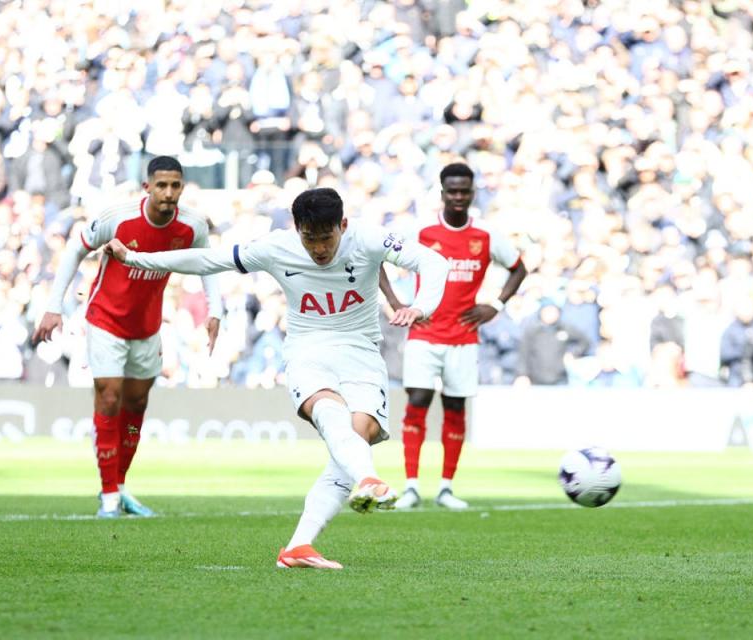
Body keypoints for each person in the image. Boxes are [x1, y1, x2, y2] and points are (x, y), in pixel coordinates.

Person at [104, 187, 448, 570]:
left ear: (343, 226)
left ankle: (299, 546)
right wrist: (136, 257)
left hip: (362, 352)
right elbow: (208, 259)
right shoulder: (276, 246)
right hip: (308, 350)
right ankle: (369, 478)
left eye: (326, 238)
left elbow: (434, 263)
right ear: (296, 229)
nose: (318, 249)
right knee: (332, 417)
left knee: (355, 437)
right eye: (309, 238)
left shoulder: (368, 237)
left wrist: (421, 306)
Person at [32, 156, 222, 518]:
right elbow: (75, 248)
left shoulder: (192, 226)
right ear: (147, 187)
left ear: (182, 188)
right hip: (105, 320)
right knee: (109, 396)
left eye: (175, 185)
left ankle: (119, 486)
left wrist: (216, 310)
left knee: (135, 406)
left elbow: (207, 264)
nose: (169, 193)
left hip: (147, 326)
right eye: (162, 185)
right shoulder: (118, 218)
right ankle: (108, 497)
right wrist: (53, 306)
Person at [380, 163, 526, 510]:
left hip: (463, 336)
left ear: (473, 193)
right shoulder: (421, 231)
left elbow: (519, 268)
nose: (458, 197)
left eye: (464, 191)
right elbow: (378, 259)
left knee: (455, 407)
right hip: (424, 333)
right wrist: (397, 303)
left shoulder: (486, 236)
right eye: (452, 191)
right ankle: (412, 485)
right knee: (417, 402)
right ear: (442, 193)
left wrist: (496, 305)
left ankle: (446, 487)